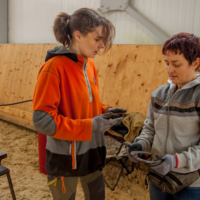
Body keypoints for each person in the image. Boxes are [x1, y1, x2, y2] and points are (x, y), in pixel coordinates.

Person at [32, 8, 126, 200]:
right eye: (97, 39)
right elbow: (43, 120)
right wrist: (91, 125)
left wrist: (107, 111)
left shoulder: (89, 65)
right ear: (78, 35)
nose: (101, 45)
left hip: (92, 153)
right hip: (66, 160)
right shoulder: (53, 68)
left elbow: (89, 105)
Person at [127, 33, 200, 200]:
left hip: (191, 183)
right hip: (158, 179)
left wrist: (176, 161)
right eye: (166, 63)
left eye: (176, 64)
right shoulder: (158, 94)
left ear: (195, 63)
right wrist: (141, 144)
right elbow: (150, 129)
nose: (170, 69)